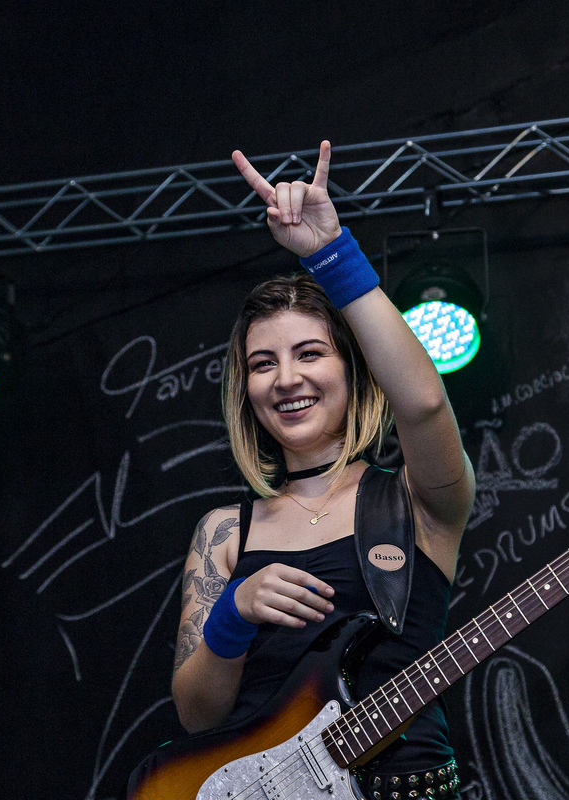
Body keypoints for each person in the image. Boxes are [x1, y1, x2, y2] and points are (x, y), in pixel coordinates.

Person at [170, 141, 475, 797]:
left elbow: (424, 403)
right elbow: (197, 716)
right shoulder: (223, 533)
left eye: (310, 353)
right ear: (246, 390)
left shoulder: (418, 502)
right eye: (263, 364)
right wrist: (234, 613)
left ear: (352, 371)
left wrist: (332, 253)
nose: (286, 379)